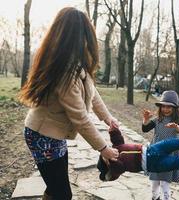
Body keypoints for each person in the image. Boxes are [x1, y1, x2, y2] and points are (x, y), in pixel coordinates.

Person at [18, 7, 119, 200]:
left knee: (57, 189)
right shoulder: (65, 71)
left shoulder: (76, 63)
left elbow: (92, 93)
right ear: (72, 37)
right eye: (84, 37)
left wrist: (108, 118)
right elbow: (80, 118)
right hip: (42, 137)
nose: (87, 43)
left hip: (53, 135)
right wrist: (103, 148)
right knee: (62, 193)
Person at [97, 127, 179, 182]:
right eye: (106, 159)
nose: (108, 156)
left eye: (105, 155)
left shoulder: (115, 148)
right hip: (150, 164)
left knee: (167, 144)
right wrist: (111, 160)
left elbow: (118, 141)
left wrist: (114, 131)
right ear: (108, 166)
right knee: (171, 163)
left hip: (149, 149)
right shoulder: (116, 168)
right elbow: (120, 168)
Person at [142, 90, 179, 200]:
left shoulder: (177, 120)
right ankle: (155, 197)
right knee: (154, 182)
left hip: (169, 154)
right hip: (155, 153)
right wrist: (145, 120)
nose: (166, 109)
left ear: (175, 109)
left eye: (169, 107)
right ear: (160, 107)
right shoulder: (157, 120)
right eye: (163, 106)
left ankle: (166, 198)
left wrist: (176, 127)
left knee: (164, 183)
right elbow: (145, 129)